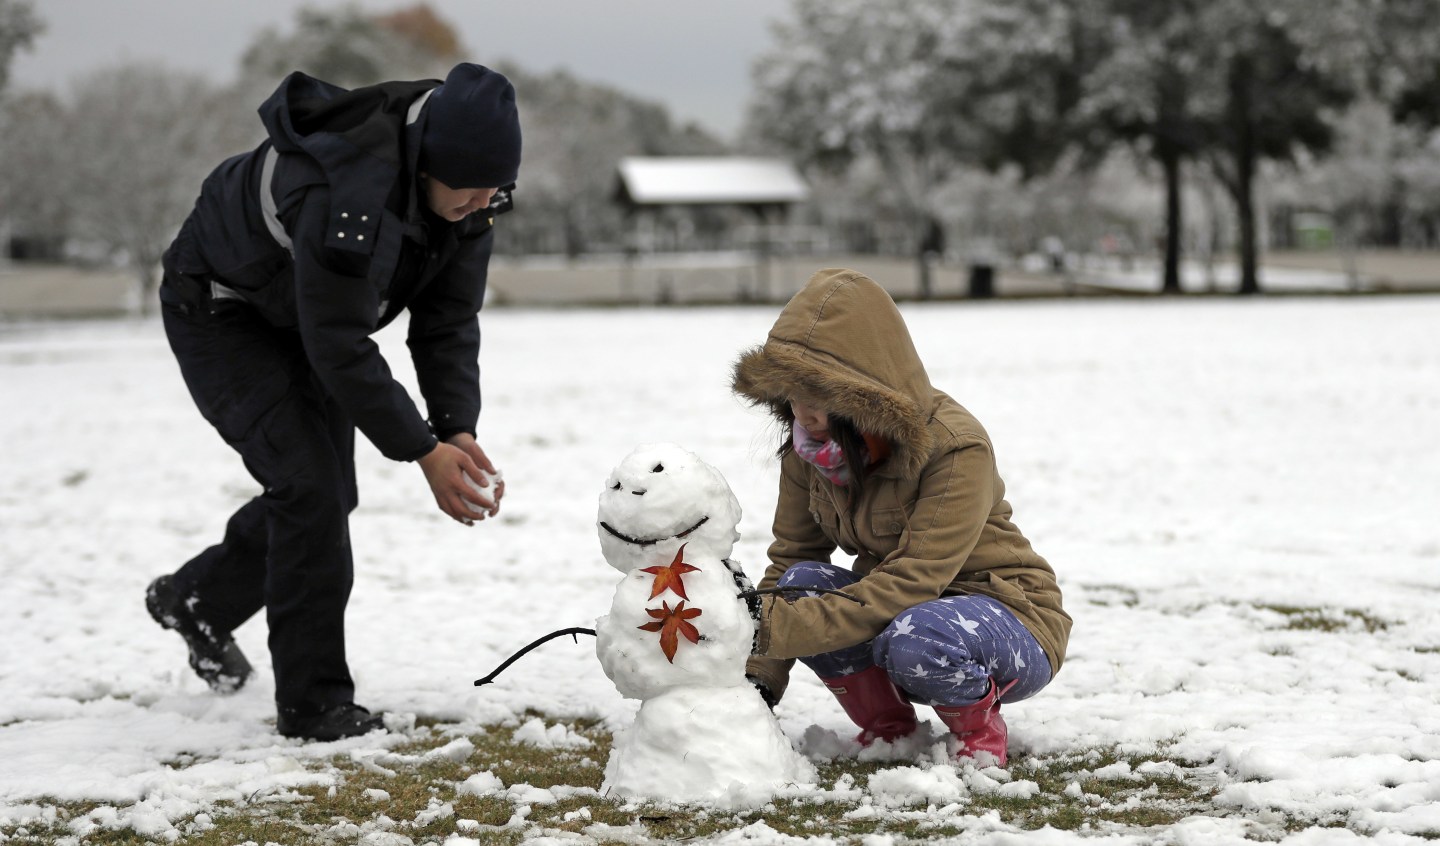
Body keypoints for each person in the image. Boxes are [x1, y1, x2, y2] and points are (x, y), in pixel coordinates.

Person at [145, 63, 522, 741]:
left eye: (494, 192)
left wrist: (454, 426)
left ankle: (195, 600)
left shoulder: (469, 199)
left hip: (303, 317)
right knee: (308, 489)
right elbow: (339, 343)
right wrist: (420, 451)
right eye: (468, 191)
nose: (481, 205)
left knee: (327, 495)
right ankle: (314, 706)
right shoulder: (348, 186)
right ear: (426, 163)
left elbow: (446, 323)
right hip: (221, 309)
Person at [732, 268, 1071, 766]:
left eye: (818, 396)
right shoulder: (809, 450)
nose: (800, 413)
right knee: (801, 585)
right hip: (902, 614)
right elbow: (793, 560)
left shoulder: (955, 447)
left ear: (861, 390)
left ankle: (978, 738)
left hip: (1009, 617)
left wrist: (775, 627)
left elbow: (914, 580)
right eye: (790, 394)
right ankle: (890, 731)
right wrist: (758, 670)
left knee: (918, 634)